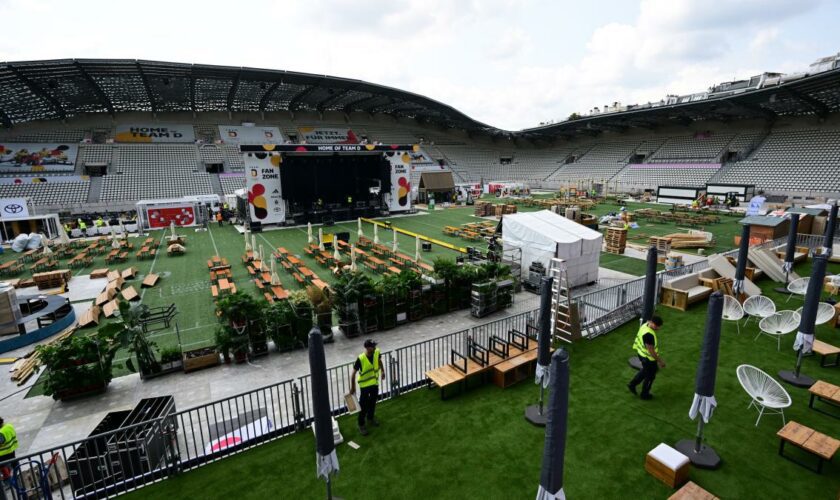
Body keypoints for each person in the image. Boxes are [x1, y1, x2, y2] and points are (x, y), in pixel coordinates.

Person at [349, 339, 385, 436]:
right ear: (367, 348)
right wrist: (353, 388)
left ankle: (370, 418)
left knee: (373, 402)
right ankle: (361, 424)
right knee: (363, 406)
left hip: (374, 384)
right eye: (372, 346)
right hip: (364, 386)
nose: (374, 348)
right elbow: (353, 374)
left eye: (374, 346)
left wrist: (382, 371)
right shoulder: (361, 358)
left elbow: (379, 360)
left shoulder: (376, 352)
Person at [627, 316, 665, 400]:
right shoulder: (649, 335)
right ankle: (644, 394)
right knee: (650, 376)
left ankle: (632, 384)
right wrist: (660, 361)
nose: (658, 328)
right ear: (651, 322)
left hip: (641, 354)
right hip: (648, 358)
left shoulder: (645, 325)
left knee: (645, 370)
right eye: (656, 326)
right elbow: (651, 350)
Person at [0, 416, 18, 480]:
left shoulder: (1, 432)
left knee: (2, 465)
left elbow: (1, 441)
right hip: (11, 449)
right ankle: (15, 475)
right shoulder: (9, 426)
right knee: (14, 463)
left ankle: (7, 478)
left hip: (2, 453)